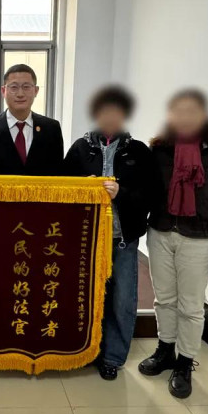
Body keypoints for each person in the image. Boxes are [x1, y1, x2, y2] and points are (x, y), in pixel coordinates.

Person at [138, 88, 208, 399]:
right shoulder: (160, 150)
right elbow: (146, 192)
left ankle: (184, 363)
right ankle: (165, 351)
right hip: (160, 234)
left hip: (199, 239)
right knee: (164, 300)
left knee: (190, 305)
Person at [63, 85, 159, 380]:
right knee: (85, 296)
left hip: (122, 239)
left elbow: (152, 195)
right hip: (85, 239)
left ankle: (112, 357)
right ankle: (85, 349)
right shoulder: (80, 149)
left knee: (121, 299)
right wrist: (84, 186)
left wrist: (121, 192)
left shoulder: (139, 151)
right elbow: (61, 188)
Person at [0, 64, 63, 185]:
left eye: (26, 87)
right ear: (3, 91)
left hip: (41, 197)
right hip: (0, 196)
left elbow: (59, 172)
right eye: (14, 87)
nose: (20, 94)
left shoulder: (51, 128)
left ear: (36, 91)